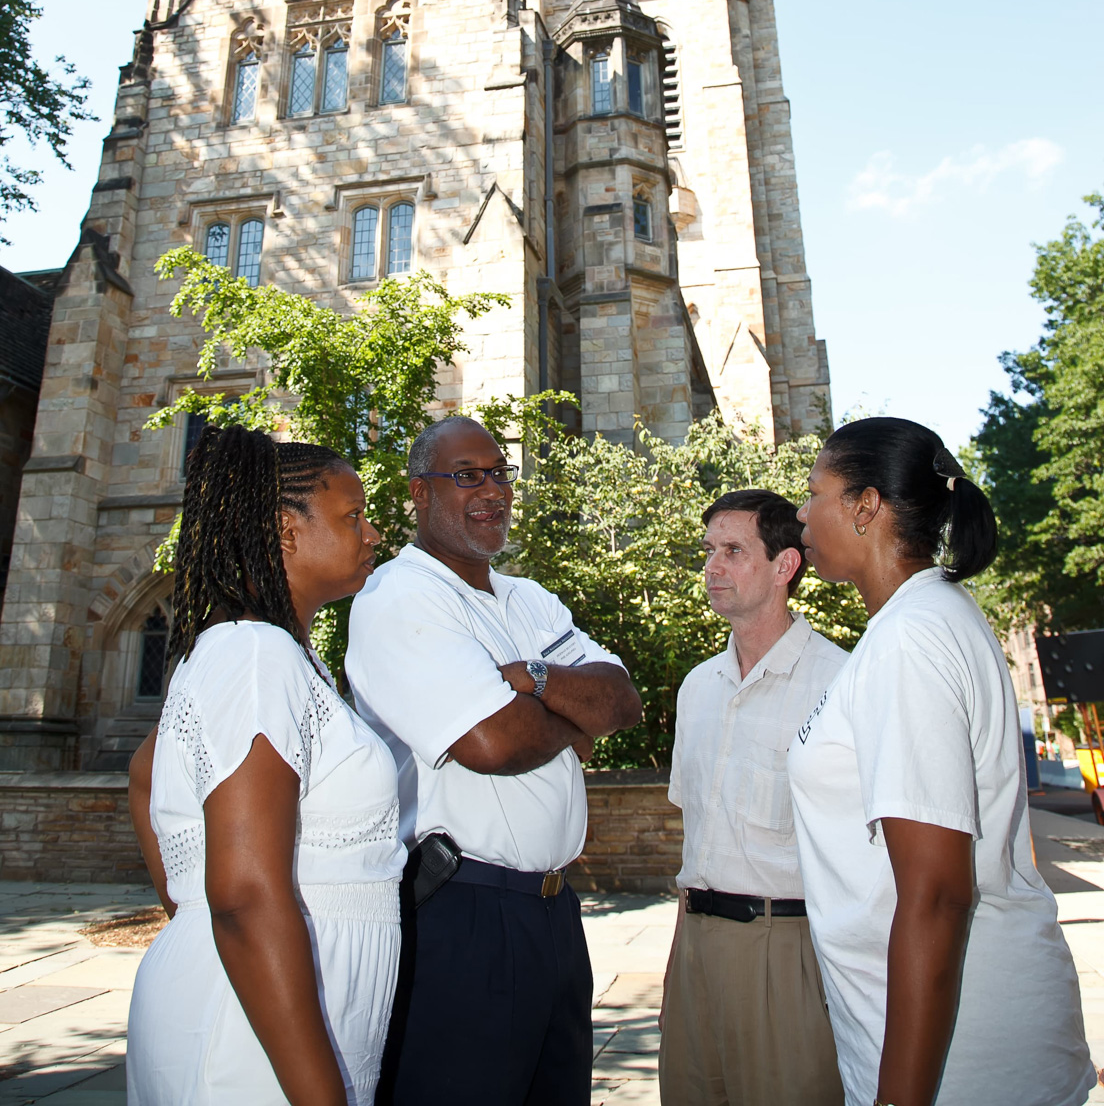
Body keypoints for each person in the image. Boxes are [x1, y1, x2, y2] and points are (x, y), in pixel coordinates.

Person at [789, 417, 1095, 1106]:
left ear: (866, 506)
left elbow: (937, 893)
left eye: (814, 493)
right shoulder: (922, 620)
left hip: (961, 1062)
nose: (801, 513)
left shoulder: (911, 641)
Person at [346, 415, 643, 1106]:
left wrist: (531, 678)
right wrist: (569, 719)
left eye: (500, 473)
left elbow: (621, 702)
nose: (493, 491)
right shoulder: (400, 595)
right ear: (420, 493)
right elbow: (493, 744)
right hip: (463, 912)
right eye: (467, 476)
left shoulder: (528, 599)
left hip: (554, 913)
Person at [126, 424, 405, 1106]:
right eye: (353, 517)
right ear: (285, 529)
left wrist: (190, 902)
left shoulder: (269, 653)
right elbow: (246, 894)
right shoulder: (255, 654)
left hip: (263, 1013)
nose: (373, 535)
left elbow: (143, 775)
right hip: (250, 1042)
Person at [659, 488, 847, 1106]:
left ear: (784, 566)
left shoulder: (840, 684)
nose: (712, 566)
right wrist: (675, 972)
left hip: (787, 953)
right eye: (709, 550)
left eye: (734, 551)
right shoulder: (697, 687)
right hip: (696, 956)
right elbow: (697, 844)